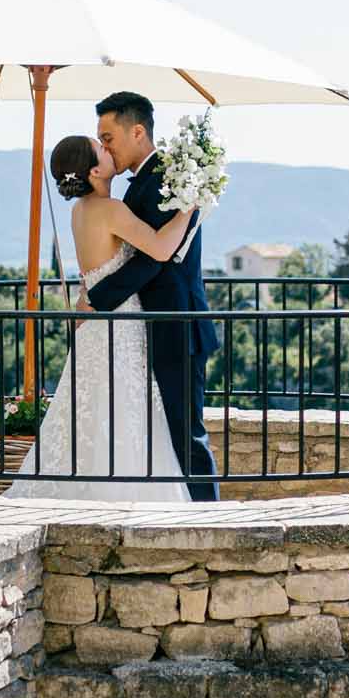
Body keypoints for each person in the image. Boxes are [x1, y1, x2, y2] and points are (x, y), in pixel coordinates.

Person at [5, 133, 197, 501]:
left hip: (95, 325)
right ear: (94, 169)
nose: (110, 150)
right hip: (119, 324)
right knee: (122, 408)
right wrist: (190, 207)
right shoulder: (110, 210)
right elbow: (159, 248)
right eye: (102, 148)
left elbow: (93, 270)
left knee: (90, 407)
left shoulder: (80, 211)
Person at [83, 91, 220, 501]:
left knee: (186, 434)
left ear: (137, 131)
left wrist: (97, 297)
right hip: (160, 324)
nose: (104, 147)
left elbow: (152, 261)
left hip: (177, 324)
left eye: (108, 137)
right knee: (168, 432)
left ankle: (209, 521)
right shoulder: (150, 180)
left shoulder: (162, 179)